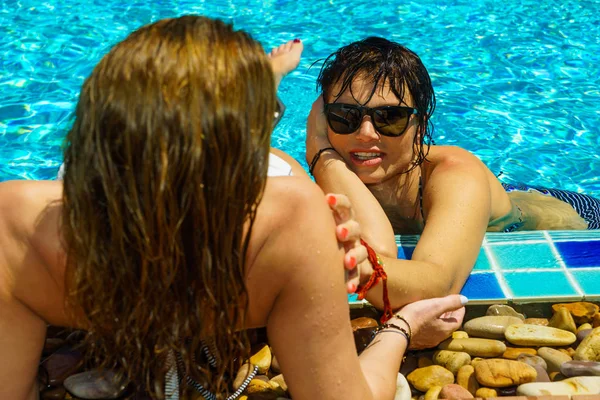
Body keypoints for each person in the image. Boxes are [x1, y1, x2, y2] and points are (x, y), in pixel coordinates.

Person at [0, 17, 467, 400]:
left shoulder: (16, 219)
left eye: (388, 118)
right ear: (244, 139)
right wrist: (401, 329)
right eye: (263, 118)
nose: (367, 132)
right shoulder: (287, 215)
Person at [306, 36, 600, 310]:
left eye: (390, 117)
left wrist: (319, 154)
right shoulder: (338, 169)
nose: (366, 134)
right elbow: (378, 246)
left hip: (575, 216)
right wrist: (324, 155)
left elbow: (438, 285)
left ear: (419, 127)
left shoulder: (456, 174)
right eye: (345, 116)